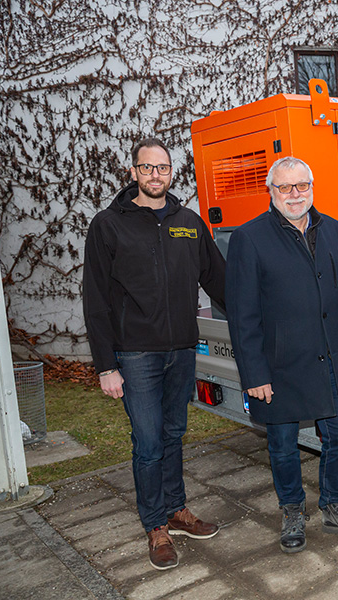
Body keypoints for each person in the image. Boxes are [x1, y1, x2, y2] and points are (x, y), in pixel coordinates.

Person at [225, 156, 338, 554]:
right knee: (282, 444)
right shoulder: (249, 237)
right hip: (279, 365)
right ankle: (292, 510)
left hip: (328, 356)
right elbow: (242, 315)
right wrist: (254, 374)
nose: (294, 195)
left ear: (312, 187)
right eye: (285, 187)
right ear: (271, 191)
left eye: (301, 186)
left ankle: (334, 505)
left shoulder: (330, 227)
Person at [83, 138, 226, 571]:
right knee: (147, 442)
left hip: (181, 349)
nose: (155, 175)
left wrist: (254, 320)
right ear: (133, 173)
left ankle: (176, 510)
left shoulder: (189, 222)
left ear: (171, 172)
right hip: (136, 354)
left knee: (172, 434)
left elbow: (219, 281)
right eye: (147, 168)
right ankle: (155, 525)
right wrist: (106, 364)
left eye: (162, 168)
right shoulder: (108, 225)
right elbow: (95, 300)